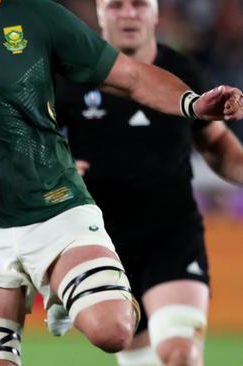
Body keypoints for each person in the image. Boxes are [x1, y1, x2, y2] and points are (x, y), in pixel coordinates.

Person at [0, 1, 243, 365]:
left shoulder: (38, 16)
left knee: (111, 330)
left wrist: (192, 104)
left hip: (53, 207)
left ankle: (81, 293)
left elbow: (130, 76)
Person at [55, 1, 243, 365]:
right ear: (99, 12)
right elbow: (33, 151)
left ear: (157, 13)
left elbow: (217, 144)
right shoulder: (67, 79)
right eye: (116, 5)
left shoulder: (182, 72)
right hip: (103, 244)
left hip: (171, 236)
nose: (128, 14)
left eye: (140, 4)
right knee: (140, 359)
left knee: (180, 353)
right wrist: (57, 171)